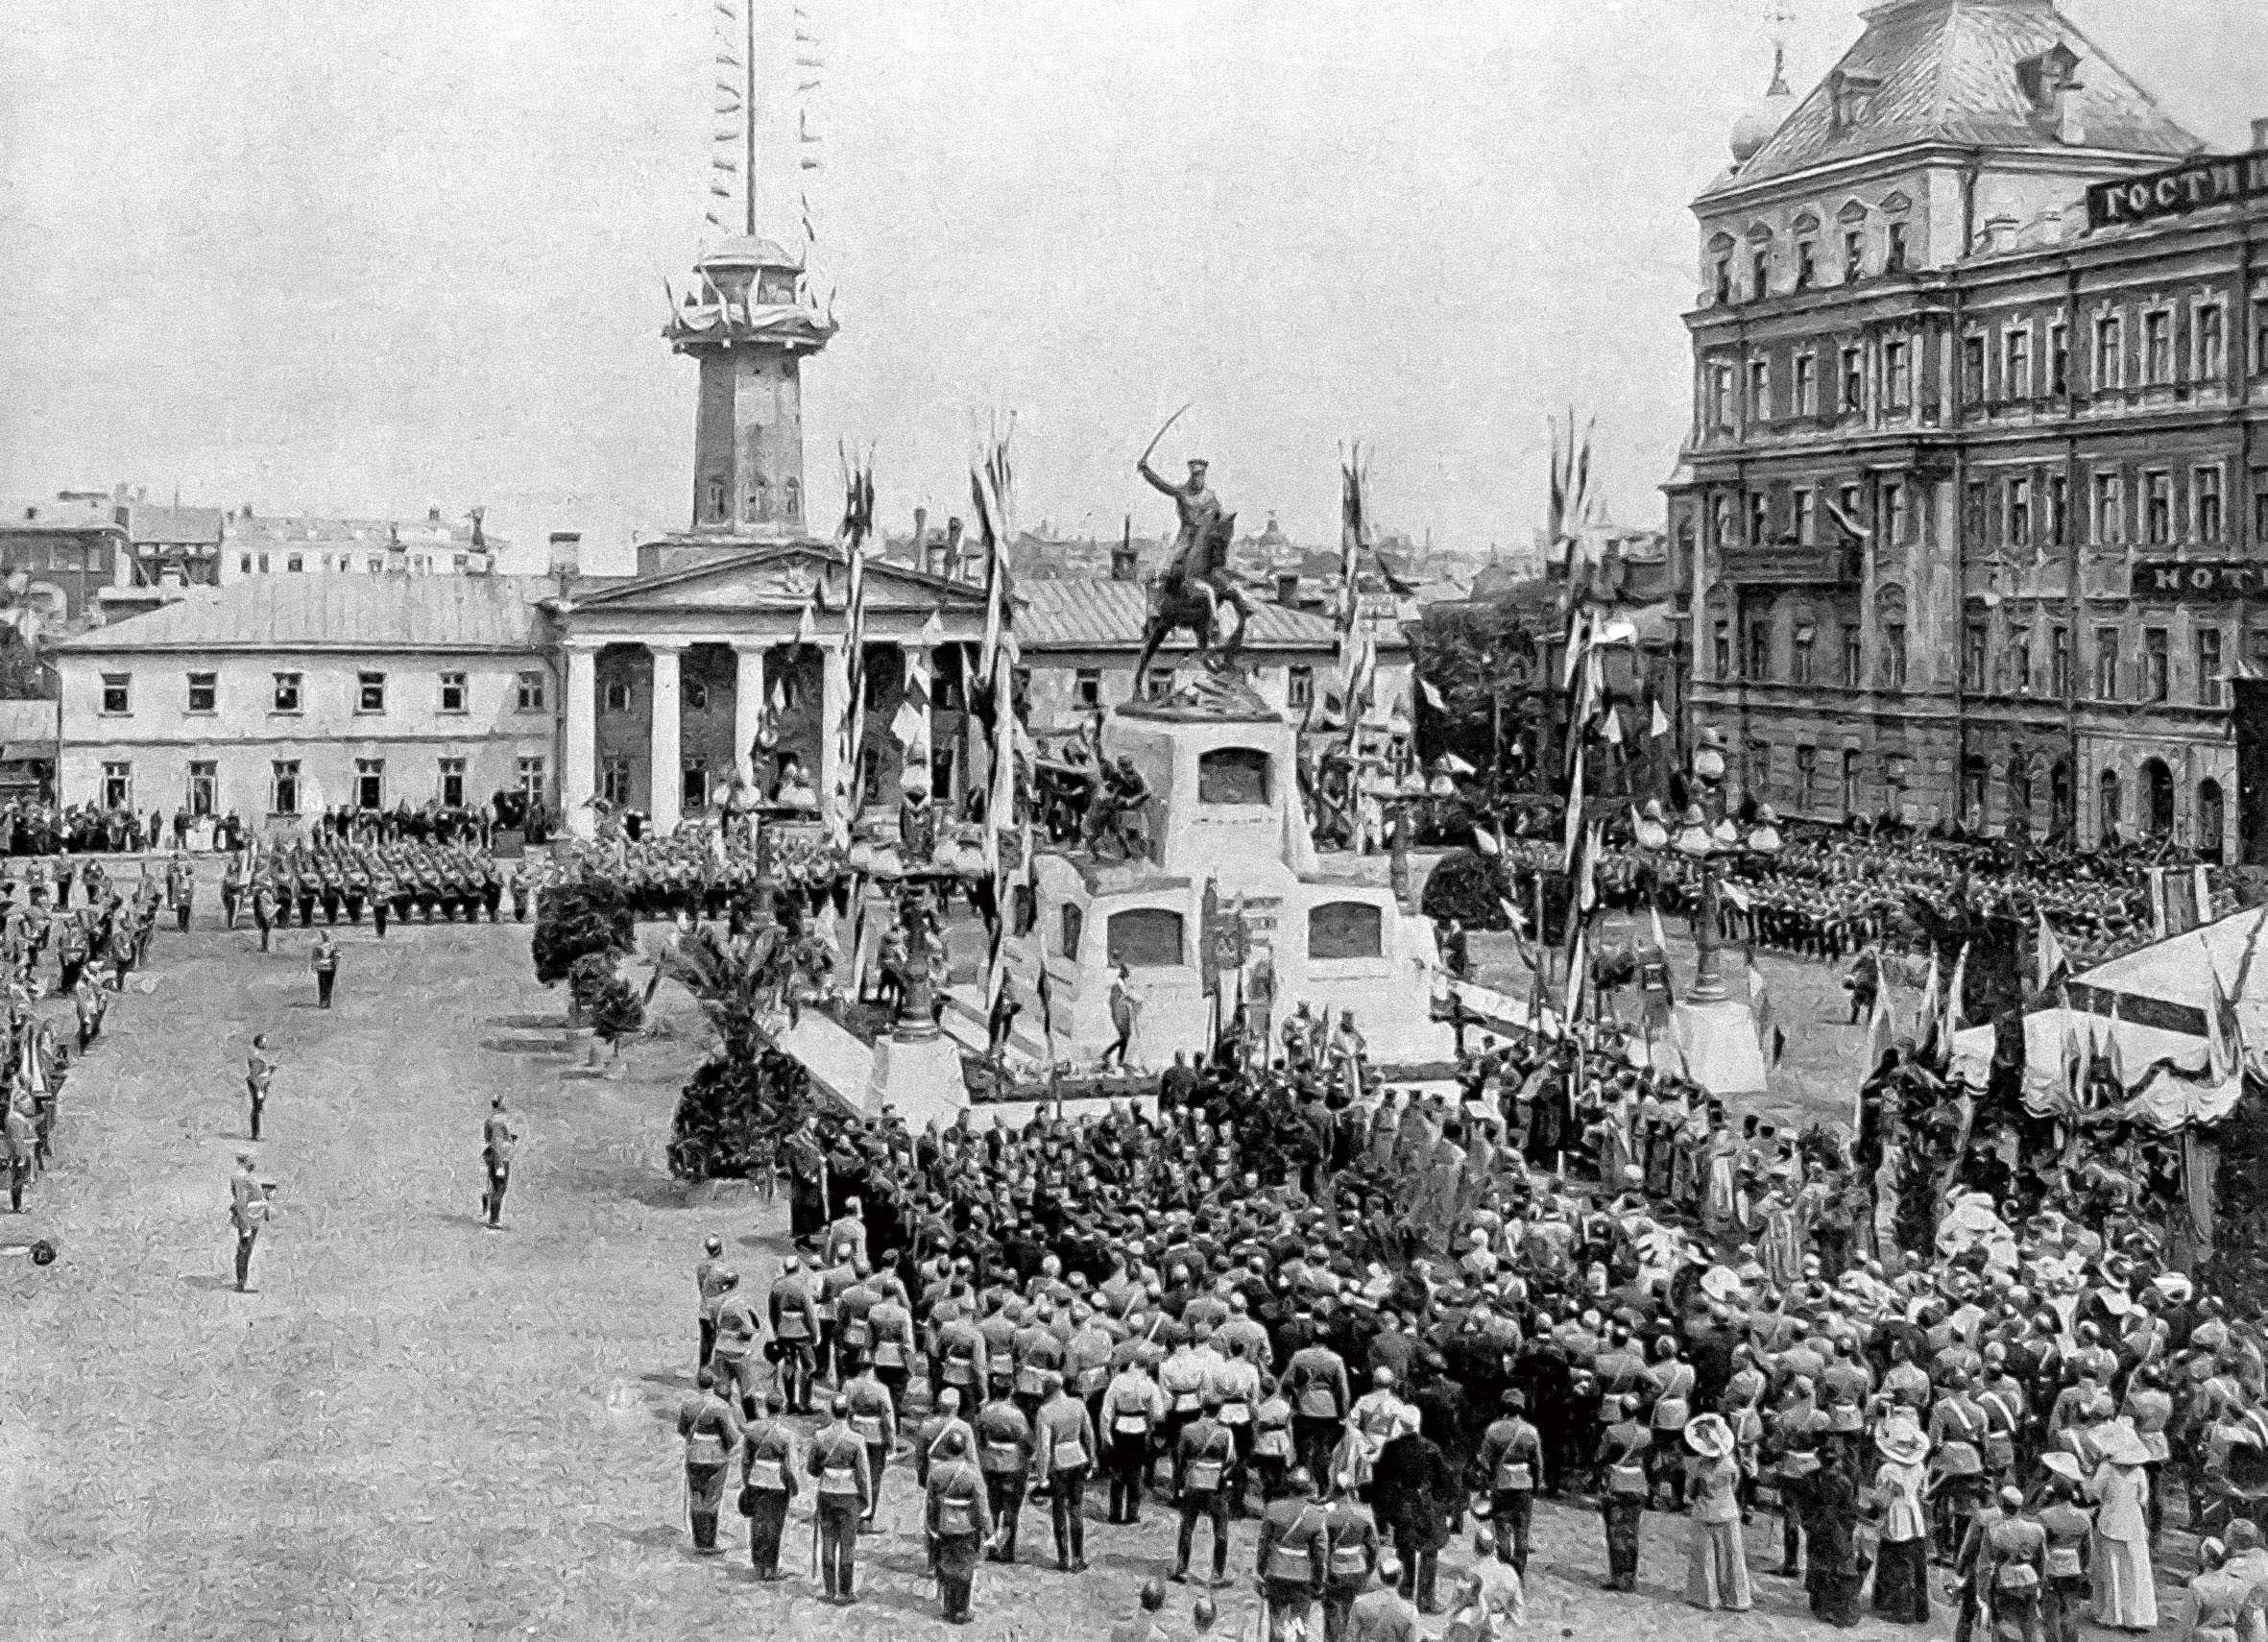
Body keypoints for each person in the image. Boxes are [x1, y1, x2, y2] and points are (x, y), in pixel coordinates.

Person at [2089, 1420, 2158, 1631]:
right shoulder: (2139, 1472)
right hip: (2134, 1521)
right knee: (2135, 1570)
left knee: (2111, 1569)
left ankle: (2112, 1614)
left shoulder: (2106, 1468)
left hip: (2111, 1519)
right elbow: (2143, 1500)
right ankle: (2135, 1616)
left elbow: (2093, 1493)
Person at [808, 1398, 874, 1606]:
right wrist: (866, 1501)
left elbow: (812, 1469)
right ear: (848, 1412)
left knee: (828, 1540)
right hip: (849, 1495)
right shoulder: (857, 1439)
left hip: (826, 1493)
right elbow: (863, 1475)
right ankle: (845, 1591)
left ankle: (829, 1590)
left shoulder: (820, 1436)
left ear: (832, 1410)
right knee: (848, 1543)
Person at [1682, 1412, 1751, 1611]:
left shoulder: (1698, 1467)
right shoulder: (1730, 1464)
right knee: (1731, 1557)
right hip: (1728, 1511)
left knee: (1705, 1557)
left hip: (1705, 1513)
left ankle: (1706, 1597)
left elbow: (1690, 1492)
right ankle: (1735, 1599)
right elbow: (1735, 1486)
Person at [926, 1427, 993, 1624]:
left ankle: (948, 1607)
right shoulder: (972, 1474)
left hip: (944, 1525)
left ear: (946, 1448)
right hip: (967, 1527)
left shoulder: (936, 1472)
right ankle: (961, 1610)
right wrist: (989, 1531)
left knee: (947, 1564)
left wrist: (932, 1526)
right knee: (965, 1566)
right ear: (964, 1449)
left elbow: (930, 1502)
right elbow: (982, 1507)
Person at [1871, 1413, 1933, 1625]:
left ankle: (1899, 1608)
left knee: (1896, 1563)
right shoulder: (1920, 1467)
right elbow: (1923, 1492)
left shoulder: (1887, 1470)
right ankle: (1920, 1609)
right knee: (1918, 1564)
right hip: (1915, 1516)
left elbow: (1881, 1496)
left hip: (1896, 1517)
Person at [1033, 1368, 1096, 1571]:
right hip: (1078, 1459)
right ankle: (1078, 1558)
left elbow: (1044, 1448)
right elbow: (1089, 1434)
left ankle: (1063, 1558)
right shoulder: (1078, 1404)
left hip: (1059, 1464)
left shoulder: (1045, 1411)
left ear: (1048, 1387)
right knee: (1076, 1509)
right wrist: (1092, 1460)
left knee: (1059, 1510)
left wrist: (1042, 1476)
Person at [676, 1366, 743, 1554]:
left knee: (696, 1496)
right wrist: (724, 1448)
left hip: (694, 1455)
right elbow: (732, 1437)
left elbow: (682, 1429)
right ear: (714, 1384)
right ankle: (708, 1543)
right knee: (712, 1498)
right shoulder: (721, 1406)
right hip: (716, 1457)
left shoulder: (688, 1404)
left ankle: (698, 1540)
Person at [1475, 1388, 1542, 1577]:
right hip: (1524, 1485)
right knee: (1522, 1529)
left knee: (1502, 1526)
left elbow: (1484, 1461)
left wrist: (1485, 1484)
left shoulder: (1493, 1429)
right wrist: (1537, 1485)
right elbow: (1537, 1462)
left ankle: (1505, 1567)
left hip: (1501, 1484)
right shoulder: (1530, 1431)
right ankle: (1518, 1572)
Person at [1256, 1467, 1327, 1642]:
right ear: (1308, 1487)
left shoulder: (1273, 1508)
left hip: (1276, 1571)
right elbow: (1320, 1554)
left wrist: (1260, 1571)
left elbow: (1263, 1545)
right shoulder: (1316, 1514)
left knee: (1277, 1622)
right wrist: (1319, 1581)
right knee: (1299, 1624)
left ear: (1289, 1486)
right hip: (1302, 1576)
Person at [1173, 1393, 1235, 1586]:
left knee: (1187, 1527)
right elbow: (1231, 1460)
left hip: (1193, 1482)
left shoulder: (1188, 1429)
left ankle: (1182, 1569)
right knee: (1220, 1529)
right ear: (1220, 1409)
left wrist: (1180, 1484)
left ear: (1202, 1407)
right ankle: (1217, 1574)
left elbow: (1179, 1459)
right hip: (1216, 1484)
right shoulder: (1226, 1432)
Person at [737, 1388, 798, 1579]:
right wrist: (794, 1486)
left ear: (765, 1406)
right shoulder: (786, 1434)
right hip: (778, 1483)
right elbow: (790, 1466)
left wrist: (747, 1482)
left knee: (758, 1521)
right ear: (782, 1408)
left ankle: (758, 1564)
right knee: (775, 1524)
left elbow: (746, 1461)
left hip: (756, 1479)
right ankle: (770, 1567)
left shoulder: (752, 1430)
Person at [1595, 1392, 1650, 1594]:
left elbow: (1600, 1456)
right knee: (1632, 1532)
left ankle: (1618, 1577)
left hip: (1617, 1485)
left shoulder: (1612, 1431)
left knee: (1616, 1533)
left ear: (1621, 1410)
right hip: (1638, 1484)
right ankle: (1630, 1577)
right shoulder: (1646, 1433)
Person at [976, 1381, 1033, 1563]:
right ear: (1011, 1391)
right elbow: (1028, 1440)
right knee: (1010, 1511)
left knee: (992, 1508)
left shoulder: (985, 1411)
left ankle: (992, 1547)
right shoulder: (1016, 1414)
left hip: (989, 1463)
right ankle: (1007, 1551)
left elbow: (979, 1437)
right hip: (1013, 1464)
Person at [1345, 1554, 1419, 1642]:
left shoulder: (1360, 1604)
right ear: (1400, 1577)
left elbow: (1350, 1638)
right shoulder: (1410, 1611)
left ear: (1380, 1575)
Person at [229, 1152, 267, 1292]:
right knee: (245, 1248)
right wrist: (245, 1228)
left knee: (245, 1248)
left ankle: (242, 1281)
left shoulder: (244, 1176)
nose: (254, 1163)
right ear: (245, 1160)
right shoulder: (242, 1177)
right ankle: (241, 1282)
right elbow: (241, 1202)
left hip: (251, 1216)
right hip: (249, 1217)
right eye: (251, 1159)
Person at [480, 1095, 516, 1230]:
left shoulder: (492, 1119)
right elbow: (496, 1142)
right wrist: (499, 1163)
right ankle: (494, 1219)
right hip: (499, 1158)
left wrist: (510, 1138)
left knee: (497, 1186)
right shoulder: (498, 1120)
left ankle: (489, 1201)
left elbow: (488, 1138)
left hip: (494, 1156)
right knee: (500, 1188)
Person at [1102, 962, 1141, 1071]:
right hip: (1120, 1013)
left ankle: (1119, 1059)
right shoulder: (1119, 982)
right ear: (1123, 972)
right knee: (1125, 1036)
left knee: (1125, 1036)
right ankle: (1108, 1054)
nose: (1128, 974)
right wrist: (1137, 1000)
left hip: (1122, 1012)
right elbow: (1126, 995)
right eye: (1127, 972)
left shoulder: (1121, 982)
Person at [245, 1033, 278, 1143]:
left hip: (262, 1082)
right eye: (263, 1041)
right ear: (258, 1042)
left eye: (265, 1041)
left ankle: (256, 1134)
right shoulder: (256, 1056)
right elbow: (256, 1074)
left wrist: (270, 1071)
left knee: (258, 1107)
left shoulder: (259, 1054)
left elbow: (263, 1071)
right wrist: (259, 1089)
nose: (265, 1043)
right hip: (258, 1083)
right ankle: (256, 1134)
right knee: (257, 1108)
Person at [310, 930, 338, 1007]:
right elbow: (336, 959)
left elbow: (314, 959)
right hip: (330, 968)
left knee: (322, 985)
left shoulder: (318, 947)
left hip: (322, 968)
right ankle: (327, 1002)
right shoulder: (333, 947)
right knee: (328, 985)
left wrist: (313, 967)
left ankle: (323, 1002)